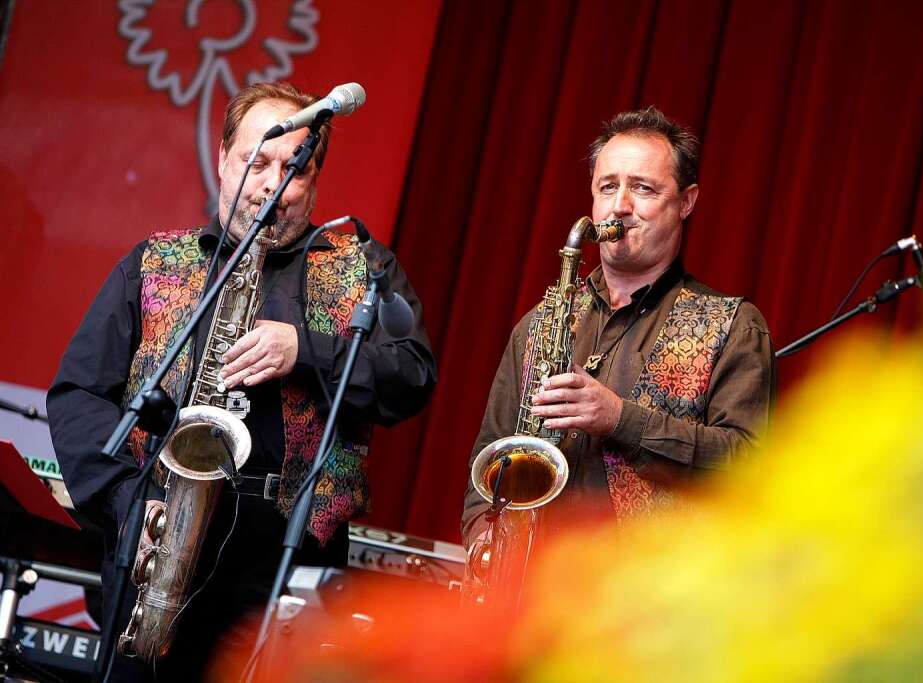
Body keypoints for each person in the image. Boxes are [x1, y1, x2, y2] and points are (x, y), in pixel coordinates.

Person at [47, 81, 436, 679]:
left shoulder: (366, 267)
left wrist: (306, 349)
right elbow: (79, 395)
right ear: (225, 158)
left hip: (285, 556)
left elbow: (412, 377)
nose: (271, 186)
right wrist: (129, 502)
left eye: (294, 170)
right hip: (155, 540)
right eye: (258, 162)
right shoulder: (152, 263)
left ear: (314, 181)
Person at [463, 107, 774, 547]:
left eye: (643, 188)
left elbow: (748, 465)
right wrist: (484, 541)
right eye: (608, 187)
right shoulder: (538, 325)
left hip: (653, 596)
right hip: (535, 587)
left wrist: (619, 418)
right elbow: (491, 453)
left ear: (687, 201)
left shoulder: (735, 325)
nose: (619, 206)